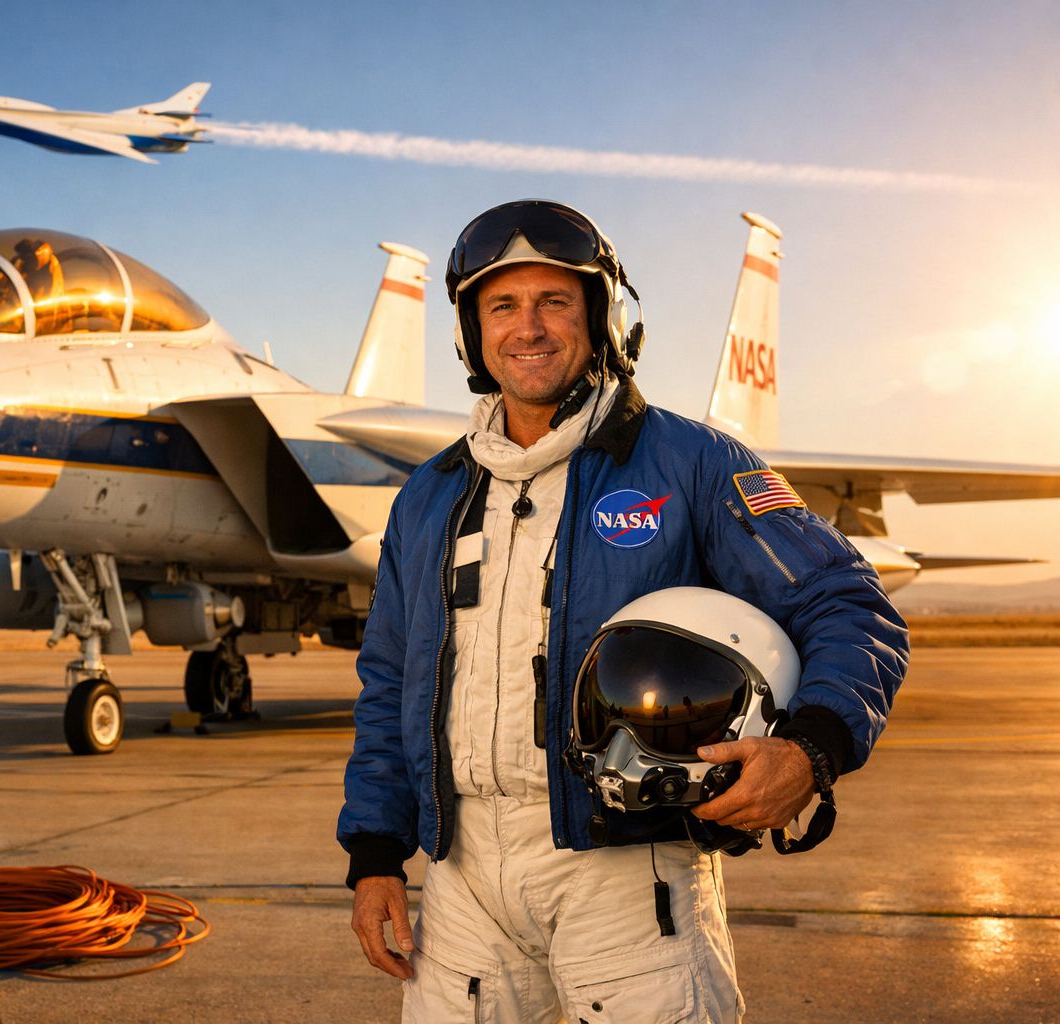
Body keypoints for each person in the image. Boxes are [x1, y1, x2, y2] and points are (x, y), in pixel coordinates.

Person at [338, 199, 909, 1022]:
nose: (527, 327)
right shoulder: (428, 498)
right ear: (471, 332)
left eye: (555, 302)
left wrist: (810, 748)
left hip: (628, 880)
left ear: (600, 318)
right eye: (502, 305)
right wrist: (375, 853)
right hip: (460, 886)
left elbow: (849, 605)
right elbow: (389, 680)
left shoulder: (694, 462)